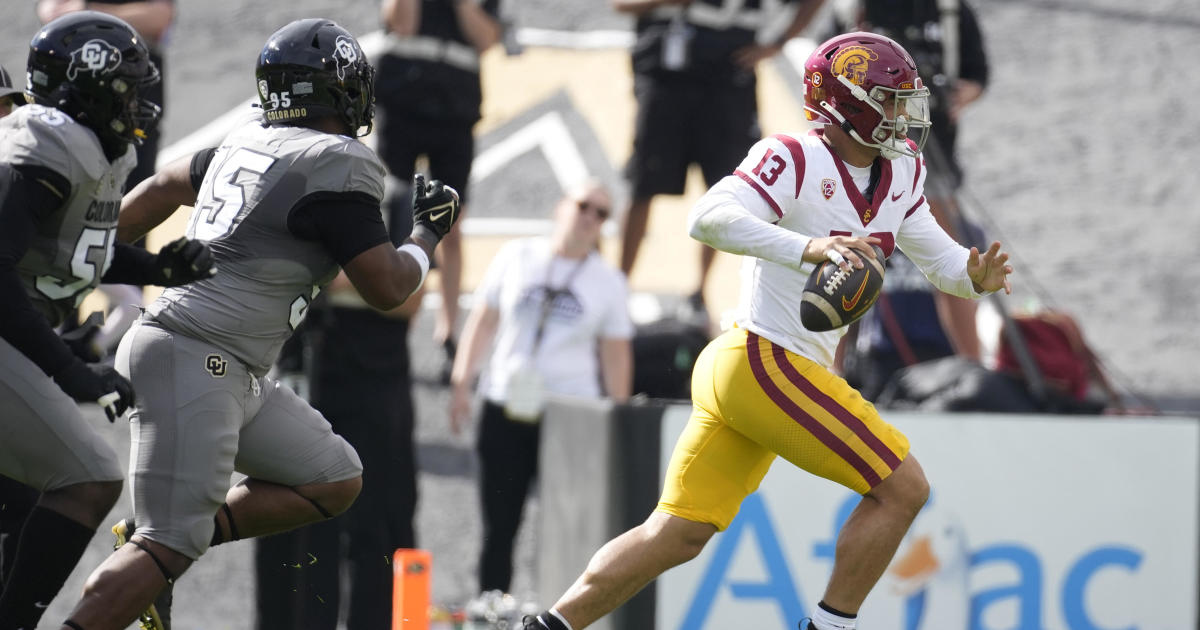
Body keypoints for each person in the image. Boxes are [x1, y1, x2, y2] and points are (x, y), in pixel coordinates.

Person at [521, 31, 1013, 630]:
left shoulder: (903, 173)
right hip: (764, 358)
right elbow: (708, 218)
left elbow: (943, 265)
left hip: (755, 371)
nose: (901, 113)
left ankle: (544, 626)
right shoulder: (795, 156)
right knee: (903, 488)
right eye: (888, 99)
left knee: (676, 533)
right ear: (845, 101)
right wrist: (809, 248)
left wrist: (976, 276)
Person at [56, 18, 461, 630]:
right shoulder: (340, 161)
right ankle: (152, 550)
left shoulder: (248, 139)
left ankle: (158, 539)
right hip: (197, 355)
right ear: (342, 90)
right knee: (168, 545)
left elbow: (166, 183)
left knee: (333, 477)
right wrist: (428, 233)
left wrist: (83, 254)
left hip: (222, 362)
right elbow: (389, 288)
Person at [0, 13, 215, 630]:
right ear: (87, 85)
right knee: (90, 477)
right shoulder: (43, 143)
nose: (138, 100)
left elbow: (73, 244)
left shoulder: (80, 148)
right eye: (127, 85)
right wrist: (73, 372)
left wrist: (157, 266)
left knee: (23, 495)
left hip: (20, 330)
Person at [254, 182, 425, 630]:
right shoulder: (293, 188)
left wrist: (319, 272)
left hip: (375, 390)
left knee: (380, 528)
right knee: (285, 525)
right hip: (299, 380)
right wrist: (367, 274)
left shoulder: (398, 200)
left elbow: (407, 301)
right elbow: (259, 273)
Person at [450, 182, 634, 597]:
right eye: (584, 205)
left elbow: (616, 356)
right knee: (500, 521)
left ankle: (560, 614)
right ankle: (492, 610)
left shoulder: (607, 282)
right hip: (505, 404)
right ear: (561, 207)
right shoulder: (517, 255)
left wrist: (616, 418)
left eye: (601, 213)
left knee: (566, 525)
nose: (589, 217)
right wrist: (462, 381)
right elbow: (484, 320)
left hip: (571, 417)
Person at [613, 0, 827, 321]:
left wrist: (777, 43)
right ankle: (616, 289)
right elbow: (620, 4)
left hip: (729, 70)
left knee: (727, 188)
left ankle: (699, 293)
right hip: (667, 71)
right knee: (644, 180)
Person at [37, 0, 178, 362]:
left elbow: (159, 18)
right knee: (65, 219)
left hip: (114, 106)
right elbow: (51, 12)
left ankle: (103, 341)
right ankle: (61, 337)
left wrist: (89, 18)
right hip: (78, 103)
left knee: (122, 209)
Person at [851, 0, 990, 364]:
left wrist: (955, 95)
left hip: (930, 154)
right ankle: (832, 372)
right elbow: (818, 71)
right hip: (860, 155)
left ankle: (971, 368)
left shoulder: (950, 10)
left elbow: (978, 76)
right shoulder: (855, 8)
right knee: (844, 259)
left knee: (950, 260)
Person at [375, 0, 503, 382]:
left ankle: (448, 332)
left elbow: (486, 38)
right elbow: (402, 22)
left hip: (455, 105)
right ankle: (391, 323)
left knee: (451, 219)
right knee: (392, 211)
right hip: (402, 99)